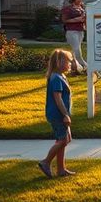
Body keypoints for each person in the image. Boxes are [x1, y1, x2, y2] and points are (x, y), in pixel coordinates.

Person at [37, 49, 76, 178]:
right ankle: (46, 162)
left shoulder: (60, 76)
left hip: (61, 114)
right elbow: (58, 99)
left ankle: (61, 169)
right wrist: (65, 115)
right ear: (59, 62)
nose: (70, 64)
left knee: (65, 140)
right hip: (58, 115)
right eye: (67, 61)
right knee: (63, 140)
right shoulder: (56, 78)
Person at [61, 0, 87, 75]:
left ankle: (75, 69)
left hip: (80, 30)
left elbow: (84, 19)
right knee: (77, 51)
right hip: (72, 31)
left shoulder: (82, 7)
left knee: (75, 51)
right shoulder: (68, 9)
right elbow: (64, 20)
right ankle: (86, 66)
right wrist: (77, 19)